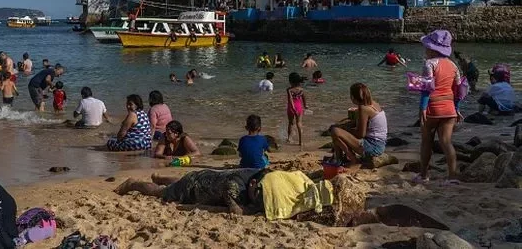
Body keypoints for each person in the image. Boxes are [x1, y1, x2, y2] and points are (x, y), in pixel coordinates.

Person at [115, 168, 334, 220]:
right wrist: (248, 210)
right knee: (163, 193)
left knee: (183, 180)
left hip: (203, 176)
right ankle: (133, 184)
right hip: (196, 189)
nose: (256, 195)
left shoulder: (262, 176)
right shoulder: (235, 187)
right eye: (256, 191)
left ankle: (161, 176)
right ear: (254, 183)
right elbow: (236, 211)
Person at [415, 30, 464, 185]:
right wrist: (456, 108)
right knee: (446, 142)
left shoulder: (429, 64)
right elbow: (459, 90)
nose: (425, 50)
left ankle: (423, 175)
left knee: (426, 141)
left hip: (432, 108)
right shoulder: (453, 65)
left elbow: (426, 88)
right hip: (449, 109)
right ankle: (452, 177)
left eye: (426, 47)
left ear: (431, 49)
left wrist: (422, 108)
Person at [329, 83, 387, 166]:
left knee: (335, 131)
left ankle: (352, 160)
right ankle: (340, 159)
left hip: (373, 147)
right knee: (337, 131)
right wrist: (343, 127)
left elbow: (360, 134)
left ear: (353, 97)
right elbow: (361, 124)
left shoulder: (363, 108)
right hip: (379, 145)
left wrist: (343, 129)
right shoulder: (374, 104)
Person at [286, 72, 307, 146]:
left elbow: (291, 100)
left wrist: (293, 108)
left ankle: (289, 138)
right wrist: (305, 105)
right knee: (299, 123)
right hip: (299, 107)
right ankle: (300, 141)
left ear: (291, 81)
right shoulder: (301, 89)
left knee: (291, 123)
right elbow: (304, 98)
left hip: (291, 108)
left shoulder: (289, 90)